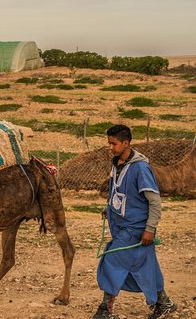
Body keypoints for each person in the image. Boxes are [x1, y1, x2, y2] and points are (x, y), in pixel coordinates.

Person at [93, 124, 177, 319]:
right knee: (146, 266)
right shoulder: (116, 164)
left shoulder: (140, 168)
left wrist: (150, 229)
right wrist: (110, 209)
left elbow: (154, 202)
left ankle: (105, 309)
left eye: (113, 144)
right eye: (109, 144)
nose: (110, 148)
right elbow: (121, 193)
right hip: (122, 226)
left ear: (126, 143)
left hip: (135, 229)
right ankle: (164, 303)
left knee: (111, 260)